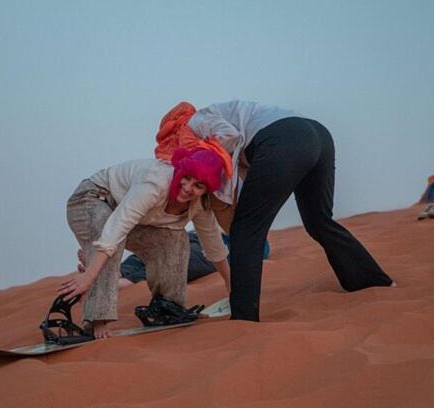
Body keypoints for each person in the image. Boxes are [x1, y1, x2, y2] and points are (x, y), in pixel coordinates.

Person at [155, 100, 394, 322]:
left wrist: (217, 172)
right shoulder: (227, 115)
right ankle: (372, 281)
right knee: (319, 220)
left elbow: (230, 137)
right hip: (318, 136)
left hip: (284, 139)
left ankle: (243, 317)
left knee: (246, 230)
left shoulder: (198, 120)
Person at [58, 149, 230, 338]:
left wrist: (231, 284)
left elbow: (213, 244)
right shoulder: (155, 183)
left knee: (175, 239)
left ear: (206, 190)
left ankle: (167, 308)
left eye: (198, 185)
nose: (188, 188)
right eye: (186, 178)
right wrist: (88, 277)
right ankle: (96, 319)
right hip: (92, 199)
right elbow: (117, 227)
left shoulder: (200, 205)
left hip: (130, 219)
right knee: (111, 239)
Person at [116, 231, 271, 289]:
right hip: (205, 240)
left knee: (167, 261)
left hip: (210, 244)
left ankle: (121, 281)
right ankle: (118, 279)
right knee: (152, 257)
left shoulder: (262, 245)